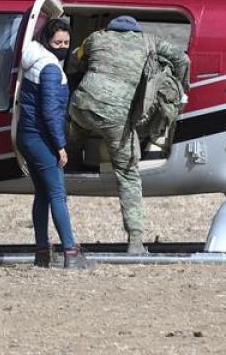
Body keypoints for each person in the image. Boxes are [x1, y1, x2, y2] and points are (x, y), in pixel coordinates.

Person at [68, 15, 189, 255]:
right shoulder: (148, 41)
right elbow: (182, 58)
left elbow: (73, 60)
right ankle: (135, 240)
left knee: (76, 133)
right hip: (115, 117)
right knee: (128, 174)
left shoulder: (95, 38)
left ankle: (70, 158)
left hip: (81, 106)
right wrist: (183, 85)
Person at [17, 19, 91, 269]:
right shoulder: (50, 68)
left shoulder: (35, 62)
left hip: (28, 135)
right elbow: (49, 111)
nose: (62, 46)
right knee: (58, 195)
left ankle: (42, 251)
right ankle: (71, 251)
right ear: (46, 41)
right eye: (57, 42)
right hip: (42, 138)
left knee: (43, 195)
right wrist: (60, 146)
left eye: (66, 42)